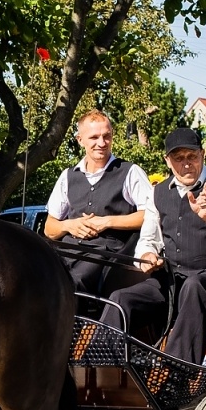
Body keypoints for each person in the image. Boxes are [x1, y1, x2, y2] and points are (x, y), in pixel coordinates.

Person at [100, 128, 206, 362]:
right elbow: (148, 239)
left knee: (195, 286)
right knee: (120, 298)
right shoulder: (158, 192)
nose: (186, 164)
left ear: (203, 154)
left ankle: (176, 370)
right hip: (173, 279)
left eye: (192, 156)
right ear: (167, 161)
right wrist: (148, 254)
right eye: (178, 158)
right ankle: (101, 369)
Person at [43, 110, 153, 297]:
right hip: (68, 252)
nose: (101, 143)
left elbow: (151, 215)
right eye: (94, 137)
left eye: (106, 136)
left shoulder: (130, 172)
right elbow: (49, 228)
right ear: (80, 140)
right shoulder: (68, 177)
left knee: (70, 284)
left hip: (110, 258)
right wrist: (69, 225)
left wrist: (106, 222)